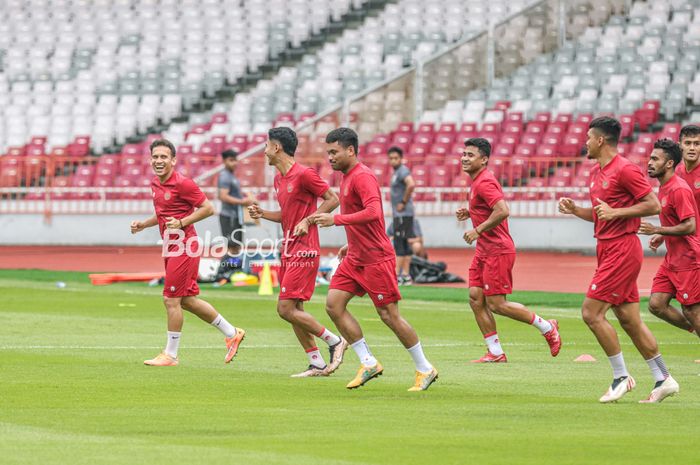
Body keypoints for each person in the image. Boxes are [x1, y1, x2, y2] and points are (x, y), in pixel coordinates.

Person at [558, 117, 678, 403]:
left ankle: (621, 376)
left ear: (600, 140)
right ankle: (663, 377)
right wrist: (577, 210)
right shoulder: (596, 173)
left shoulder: (624, 169)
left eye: (588, 138)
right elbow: (603, 213)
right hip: (608, 248)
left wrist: (616, 213)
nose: (584, 143)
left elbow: (653, 204)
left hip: (622, 249)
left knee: (591, 313)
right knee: (629, 319)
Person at [309, 128, 438, 391]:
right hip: (356, 255)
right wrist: (351, 241)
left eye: (334, 152)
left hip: (376, 258)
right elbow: (362, 216)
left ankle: (425, 368)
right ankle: (368, 361)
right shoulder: (346, 178)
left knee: (389, 316)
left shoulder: (363, 177)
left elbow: (373, 212)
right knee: (334, 305)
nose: (330, 157)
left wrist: (336, 219)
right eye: (328, 152)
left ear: (350, 150)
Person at [131, 139, 245, 367]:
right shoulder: (155, 184)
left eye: (164, 157)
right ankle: (232, 332)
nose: (159, 161)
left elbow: (208, 208)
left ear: (173, 160)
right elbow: (163, 213)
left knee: (170, 299)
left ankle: (170, 355)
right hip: (170, 245)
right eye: (155, 157)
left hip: (185, 246)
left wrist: (182, 222)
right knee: (188, 301)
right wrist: (144, 224)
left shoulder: (183, 183)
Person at [247, 127, 347, 377]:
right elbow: (288, 215)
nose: (265, 150)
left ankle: (335, 341)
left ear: (277, 147)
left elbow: (332, 199)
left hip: (305, 250)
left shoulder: (304, 174)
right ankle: (317, 362)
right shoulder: (279, 179)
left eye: (267, 145)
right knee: (295, 310)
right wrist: (263, 214)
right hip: (289, 248)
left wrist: (310, 220)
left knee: (285, 309)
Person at [456, 138, 562, 363]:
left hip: (497, 250)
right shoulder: (477, 182)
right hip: (484, 251)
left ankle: (547, 326)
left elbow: (503, 210)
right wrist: (472, 212)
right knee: (476, 298)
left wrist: (478, 229)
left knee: (497, 304)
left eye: (470, 155)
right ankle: (495, 352)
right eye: (464, 154)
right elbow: (490, 208)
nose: (464, 158)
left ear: (484, 159)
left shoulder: (484, 181)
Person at [640, 139, 700, 337]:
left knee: (691, 310)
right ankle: (694, 329)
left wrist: (658, 229)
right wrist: (662, 234)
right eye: (650, 158)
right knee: (657, 305)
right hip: (673, 259)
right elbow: (676, 221)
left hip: (688, 260)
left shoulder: (678, 189)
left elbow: (690, 226)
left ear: (669, 164)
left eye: (655, 159)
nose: (650, 163)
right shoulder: (664, 186)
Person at [218, 149, 255, 276]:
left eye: (235, 160)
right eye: (231, 160)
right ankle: (220, 272)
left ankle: (231, 271)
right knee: (232, 247)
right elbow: (223, 196)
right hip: (228, 217)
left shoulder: (232, 177)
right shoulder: (225, 176)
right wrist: (242, 202)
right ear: (224, 161)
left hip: (235, 217)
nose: (234, 163)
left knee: (237, 247)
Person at [388, 146, 416, 285]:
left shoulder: (402, 171)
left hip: (403, 214)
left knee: (400, 244)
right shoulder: (396, 172)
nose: (393, 161)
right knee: (404, 244)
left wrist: (403, 202)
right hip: (402, 214)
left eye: (396, 158)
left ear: (401, 158)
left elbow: (411, 184)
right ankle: (405, 276)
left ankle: (398, 275)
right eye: (391, 158)